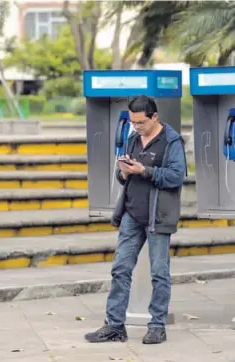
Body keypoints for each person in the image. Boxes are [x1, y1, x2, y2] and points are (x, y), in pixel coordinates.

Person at [85, 95, 186, 344]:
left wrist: (145, 171)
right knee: (120, 269)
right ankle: (115, 325)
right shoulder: (132, 139)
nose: (136, 127)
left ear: (154, 117)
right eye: (132, 122)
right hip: (132, 212)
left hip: (157, 215)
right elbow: (126, 178)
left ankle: (157, 325)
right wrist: (124, 171)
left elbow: (176, 176)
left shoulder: (171, 141)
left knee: (159, 272)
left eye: (140, 122)